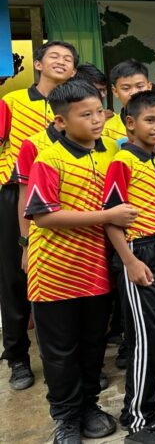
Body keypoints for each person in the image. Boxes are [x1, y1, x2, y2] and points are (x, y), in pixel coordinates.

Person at [24, 80, 132, 442]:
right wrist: (107, 216)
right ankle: (66, 417)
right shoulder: (49, 159)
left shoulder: (113, 152)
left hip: (96, 270)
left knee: (92, 345)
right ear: (60, 122)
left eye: (99, 111)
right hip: (54, 272)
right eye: (86, 115)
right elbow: (43, 216)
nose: (97, 120)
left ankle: (89, 406)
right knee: (59, 352)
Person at [101, 92, 155, 443]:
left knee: (154, 335)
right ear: (130, 123)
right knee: (146, 338)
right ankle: (137, 421)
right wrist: (130, 261)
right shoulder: (123, 160)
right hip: (136, 251)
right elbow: (111, 218)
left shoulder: (152, 159)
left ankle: (145, 410)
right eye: (150, 120)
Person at [0, 40, 78, 391]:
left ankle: (66, 357)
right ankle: (17, 356)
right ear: (38, 64)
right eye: (54, 56)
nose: (61, 62)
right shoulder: (12, 102)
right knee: (15, 277)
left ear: (74, 70)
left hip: (66, 198)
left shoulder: (76, 103)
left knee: (64, 276)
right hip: (16, 195)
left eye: (68, 59)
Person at [105, 60, 155, 141]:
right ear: (115, 91)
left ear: (149, 87)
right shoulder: (108, 129)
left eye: (140, 86)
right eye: (126, 88)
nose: (134, 92)